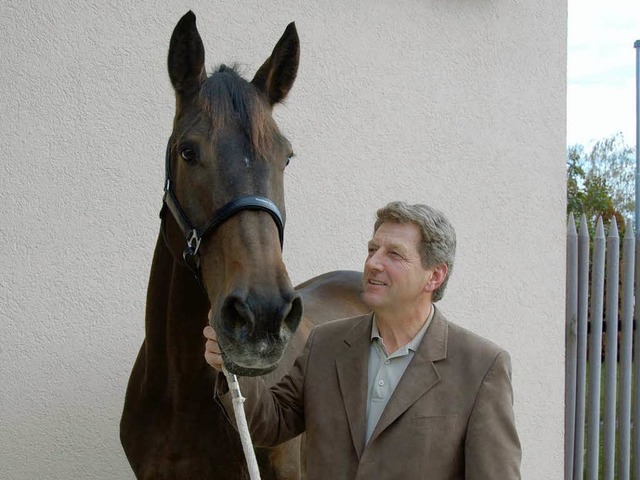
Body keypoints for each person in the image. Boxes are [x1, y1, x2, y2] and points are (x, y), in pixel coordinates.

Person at [203, 201, 521, 479]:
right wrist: (235, 364)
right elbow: (271, 423)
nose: (373, 263)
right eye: (372, 250)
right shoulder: (325, 344)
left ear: (434, 276)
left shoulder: (481, 368)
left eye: (394, 254)